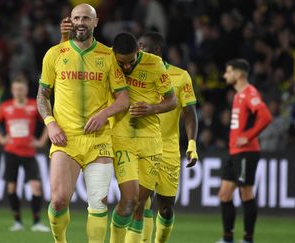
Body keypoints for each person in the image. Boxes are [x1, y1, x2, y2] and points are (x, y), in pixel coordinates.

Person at [37, 4, 130, 243]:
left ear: (95, 22)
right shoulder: (55, 54)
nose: (81, 22)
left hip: (98, 139)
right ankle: (61, 241)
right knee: (58, 201)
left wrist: (104, 115)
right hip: (65, 138)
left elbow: (124, 99)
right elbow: (42, 95)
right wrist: (50, 124)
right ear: (71, 21)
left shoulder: (108, 56)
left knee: (98, 202)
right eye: (77, 18)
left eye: (86, 18)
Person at [109, 32, 177, 243]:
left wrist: (152, 108)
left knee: (140, 205)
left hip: (151, 142)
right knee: (128, 201)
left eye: (131, 62)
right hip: (123, 140)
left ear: (138, 51)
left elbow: (172, 101)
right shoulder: (108, 62)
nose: (126, 68)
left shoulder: (155, 64)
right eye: (123, 63)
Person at [136, 32, 199, 243]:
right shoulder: (133, 75)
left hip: (168, 149)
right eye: (138, 46)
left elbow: (190, 112)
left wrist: (192, 143)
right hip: (142, 146)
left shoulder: (181, 76)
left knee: (166, 208)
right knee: (141, 201)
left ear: (156, 51)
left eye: (143, 46)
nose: (138, 50)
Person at [217, 59, 272, 243]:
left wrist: (248, 136)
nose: (225, 75)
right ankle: (227, 238)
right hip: (234, 152)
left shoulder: (250, 93)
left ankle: (248, 239)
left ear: (238, 74)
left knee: (246, 193)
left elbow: (265, 116)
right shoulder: (238, 95)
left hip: (247, 151)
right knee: (224, 194)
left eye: (228, 72)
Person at [0, 76, 50, 232]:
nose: (18, 92)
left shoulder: (33, 105)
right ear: (12, 90)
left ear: (27, 90)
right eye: (16, 89)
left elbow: (49, 121)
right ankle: (17, 222)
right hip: (11, 152)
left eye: (21, 89)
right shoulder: (6, 106)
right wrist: (1, 139)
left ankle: (36, 223)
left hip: (29, 153)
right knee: (11, 187)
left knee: (36, 187)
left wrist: (42, 141)